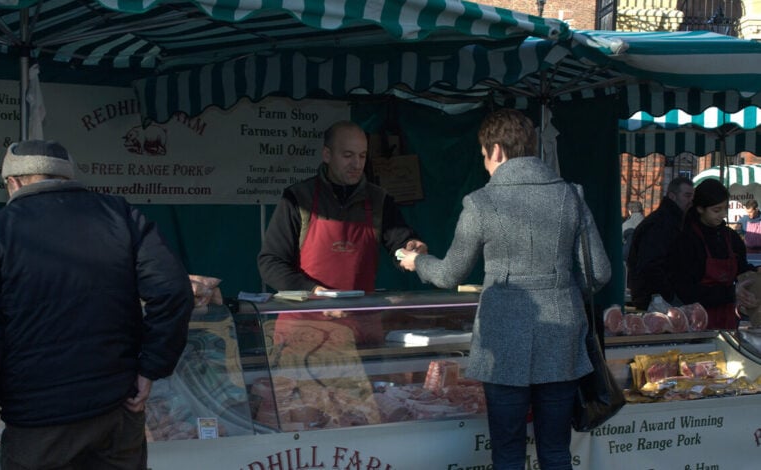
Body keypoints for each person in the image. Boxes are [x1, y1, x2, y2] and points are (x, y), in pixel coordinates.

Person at [399, 109, 611, 469]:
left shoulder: (480, 202)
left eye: (483, 156)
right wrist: (561, 290)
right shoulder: (571, 196)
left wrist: (415, 261)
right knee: (557, 451)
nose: (485, 164)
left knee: (508, 454)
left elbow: (450, 274)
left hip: (501, 338)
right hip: (561, 333)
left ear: (496, 150)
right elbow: (600, 272)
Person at [0, 140, 194, 470]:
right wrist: (150, 369)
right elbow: (174, 290)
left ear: (14, 182)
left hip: (40, 426)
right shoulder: (120, 214)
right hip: (117, 412)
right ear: (66, 177)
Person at [257, 120, 426, 344]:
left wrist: (411, 248)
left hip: (360, 331)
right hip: (303, 331)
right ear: (327, 155)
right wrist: (315, 292)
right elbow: (270, 263)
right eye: (348, 155)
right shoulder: (297, 198)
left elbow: (399, 242)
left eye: (362, 156)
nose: (356, 164)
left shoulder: (379, 200)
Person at [670, 179, 757, 330]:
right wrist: (731, 293)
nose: (722, 215)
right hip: (696, 320)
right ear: (700, 209)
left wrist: (755, 273)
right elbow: (686, 290)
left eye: (725, 209)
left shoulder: (731, 237)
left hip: (728, 319)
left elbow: (742, 269)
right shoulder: (687, 239)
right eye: (717, 210)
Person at [626, 176, 694, 310]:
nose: (690, 200)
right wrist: (669, 294)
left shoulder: (671, 220)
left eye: (692, 196)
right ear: (672, 196)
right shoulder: (661, 223)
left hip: (658, 296)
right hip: (656, 300)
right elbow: (650, 264)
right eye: (687, 195)